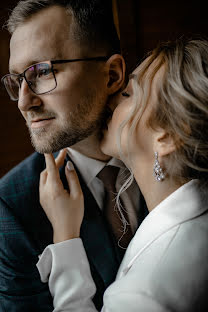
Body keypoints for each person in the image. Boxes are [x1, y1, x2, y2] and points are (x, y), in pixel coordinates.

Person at [37, 38, 208, 311]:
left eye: (128, 94)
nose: (111, 99)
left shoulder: (143, 294)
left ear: (167, 137)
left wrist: (66, 237)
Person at [0, 0, 144, 310]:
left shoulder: (185, 156)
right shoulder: (11, 208)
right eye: (18, 80)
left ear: (112, 75)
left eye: (42, 71)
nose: (24, 103)